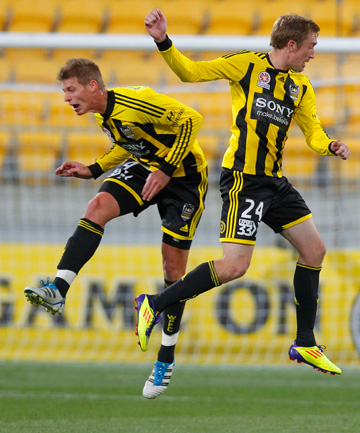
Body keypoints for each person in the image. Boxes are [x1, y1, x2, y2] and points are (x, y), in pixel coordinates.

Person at [134, 9, 351, 375]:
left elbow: (313, 133)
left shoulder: (301, 87)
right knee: (235, 266)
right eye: (311, 47)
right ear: (292, 44)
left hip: (275, 183)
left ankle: (305, 343)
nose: (313, 54)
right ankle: (153, 303)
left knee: (315, 250)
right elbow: (191, 72)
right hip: (243, 180)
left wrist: (330, 145)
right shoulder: (247, 66)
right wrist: (163, 41)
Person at [24, 58, 208, 398]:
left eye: (71, 90)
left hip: (184, 179)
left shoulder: (135, 101)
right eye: (65, 92)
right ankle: (58, 290)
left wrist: (166, 170)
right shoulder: (100, 114)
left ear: (92, 86)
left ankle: (165, 357)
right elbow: (127, 143)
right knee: (96, 207)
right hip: (145, 169)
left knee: (173, 272)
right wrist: (94, 169)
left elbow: (191, 119)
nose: (66, 98)